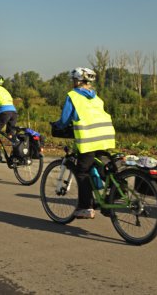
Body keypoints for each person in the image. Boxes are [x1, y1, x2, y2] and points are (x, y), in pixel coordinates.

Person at [52, 67, 116, 220]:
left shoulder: (73, 95)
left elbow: (65, 119)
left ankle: (85, 207)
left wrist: (56, 125)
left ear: (78, 81)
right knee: (102, 167)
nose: (73, 82)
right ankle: (112, 195)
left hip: (89, 139)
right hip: (105, 136)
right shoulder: (96, 97)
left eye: (74, 79)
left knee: (82, 171)